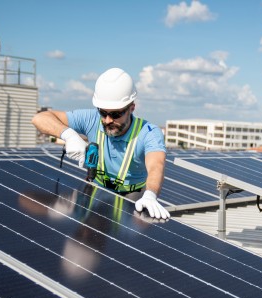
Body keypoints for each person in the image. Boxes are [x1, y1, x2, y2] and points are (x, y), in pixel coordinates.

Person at [32, 67, 170, 220]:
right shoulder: (91, 119)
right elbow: (39, 118)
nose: (108, 120)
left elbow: (156, 166)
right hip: (96, 193)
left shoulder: (148, 132)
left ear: (131, 108)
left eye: (116, 114)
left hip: (132, 198)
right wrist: (68, 134)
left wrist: (150, 195)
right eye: (103, 113)